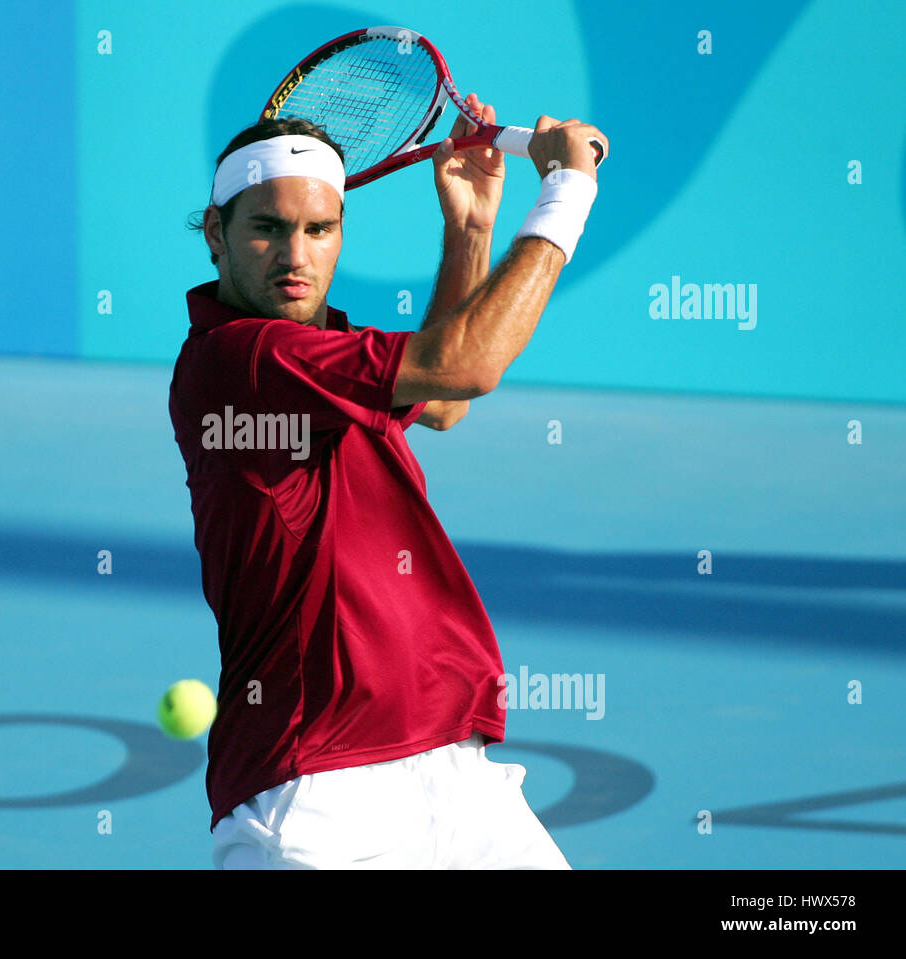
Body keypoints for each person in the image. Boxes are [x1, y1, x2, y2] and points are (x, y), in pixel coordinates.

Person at [169, 93, 608, 868]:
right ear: (216, 235)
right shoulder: (239, 358)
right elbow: (467, 364)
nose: (295, 255)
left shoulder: (318, 349)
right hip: (316, 797)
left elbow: (440, 401)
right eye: (266, 228)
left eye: (318, 229)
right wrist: (566, 194)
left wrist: (469, 230)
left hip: (456, 774)